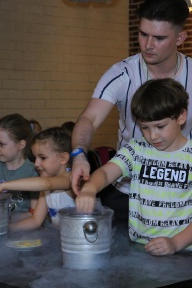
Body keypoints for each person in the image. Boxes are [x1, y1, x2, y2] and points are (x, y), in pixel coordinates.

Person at [71, 0, 192, 221]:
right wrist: (79, 154)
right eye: (143, 34)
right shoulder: (122, 73)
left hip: (181, 193)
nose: (148, 45)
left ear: (180, 38)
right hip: (128, 190)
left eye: (159, 38)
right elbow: (89, 118)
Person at [76, 78, 192, 256]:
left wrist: (176, 242)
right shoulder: (137, 150)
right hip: (141, 248)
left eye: (160, 126)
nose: (153, 136)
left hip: (183, 250)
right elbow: (106, 173)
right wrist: (90, 189)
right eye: (145, 127)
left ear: (181, 116)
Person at [0, 127, 75, 232]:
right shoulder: (47, 187)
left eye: (42, 158)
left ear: (63, 158)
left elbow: (46, 184)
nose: (36, 164)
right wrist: (3, 229)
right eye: (35, 158)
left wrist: (2, 185)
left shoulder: (71, 178)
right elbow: (35, 220)